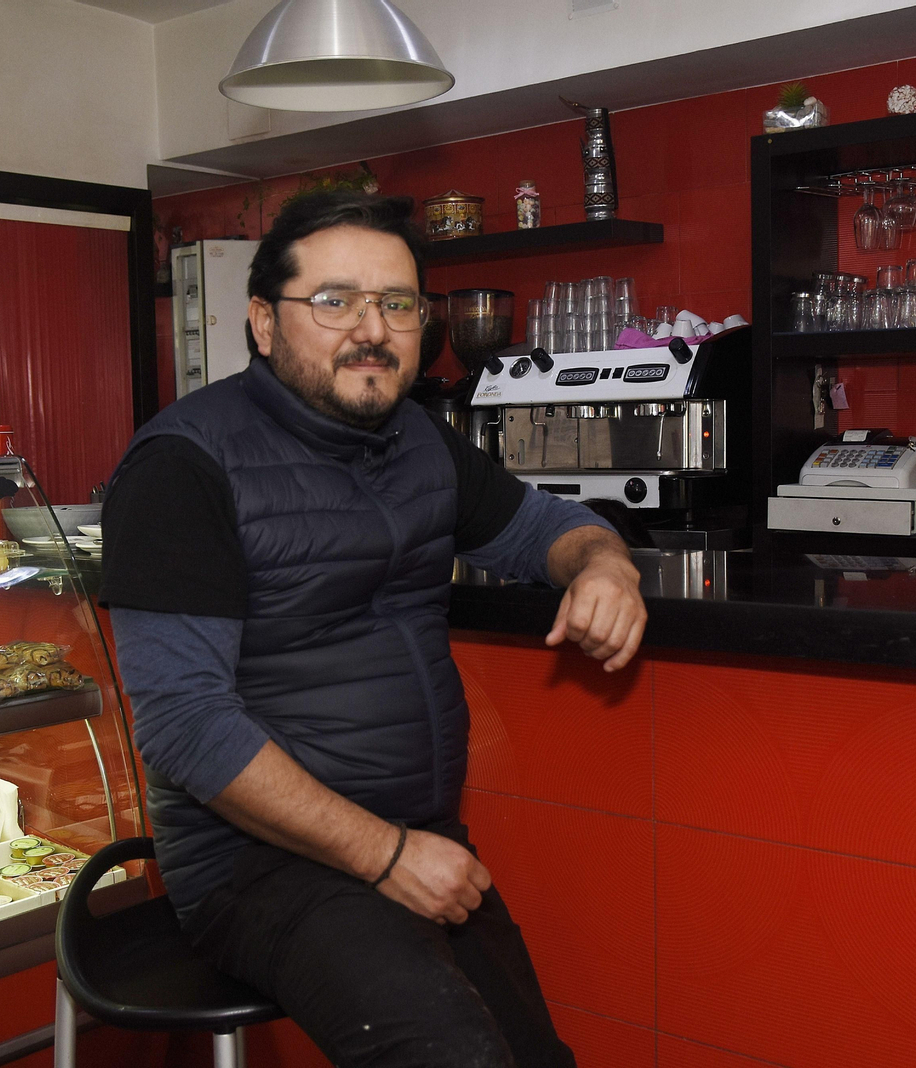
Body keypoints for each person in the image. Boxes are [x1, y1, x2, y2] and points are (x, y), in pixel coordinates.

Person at [100, 191, 646, 1067]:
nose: (372, 329)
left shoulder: (419, 440)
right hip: (260, 865)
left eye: (397, 303)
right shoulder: (184, 466)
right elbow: (184, 725)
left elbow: (547, 526)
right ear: (263, 323)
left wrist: (605, 564)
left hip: (417, 836)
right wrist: (386, 856)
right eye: (334, 301)